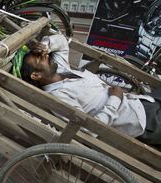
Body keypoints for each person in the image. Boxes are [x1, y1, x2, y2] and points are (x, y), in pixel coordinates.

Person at [21, 34, 161, 146]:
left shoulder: (62, 69)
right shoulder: (58, 96)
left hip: (142, 101)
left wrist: (45, 45)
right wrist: (115, 99)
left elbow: (62, 42)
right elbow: (89, 129)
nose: (45, 55)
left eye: (43, 54)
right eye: (40, 59)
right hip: (141, 120)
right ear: (36, 75)